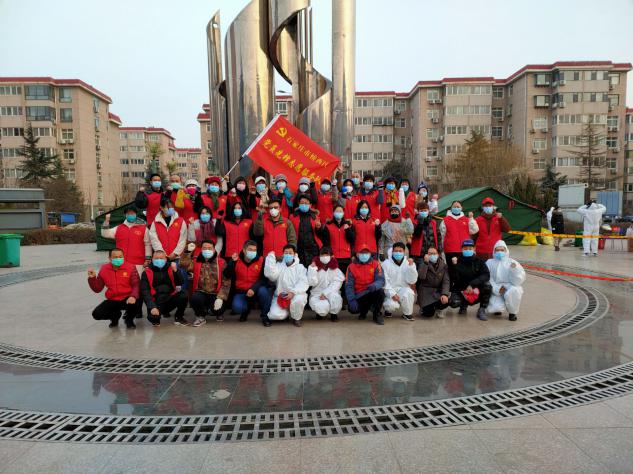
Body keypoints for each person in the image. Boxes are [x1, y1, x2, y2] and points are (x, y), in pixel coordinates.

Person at [179, 240, 230, 326]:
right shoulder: (196, 261)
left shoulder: (221, 262)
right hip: (201, 292)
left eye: (209, 248)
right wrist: (187, 252)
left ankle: (213, 311)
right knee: (194, 299)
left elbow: (226, 282)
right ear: (201, 249)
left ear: (214, 250)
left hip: (215, 293)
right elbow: (183, 265)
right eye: (205, 248)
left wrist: (220, 298)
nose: (207, 250)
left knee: (218, 310)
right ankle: (200, 316)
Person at [87, 248, 140, 329]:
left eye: (120, 256)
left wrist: (133, 296)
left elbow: (136, 284)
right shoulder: (104, 269)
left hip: (127, 297)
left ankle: (129, 320)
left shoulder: (130, 267)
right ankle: (115, 317)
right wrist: (92, 278)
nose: (118, 259)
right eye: (115, 257)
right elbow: (98, 289)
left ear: (123, 257)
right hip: (112, 299)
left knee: (136, 302)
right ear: (110, 258)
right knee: (96, 314)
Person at [224, 240, 273, 326]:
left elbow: (264, 279)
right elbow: (226, 275)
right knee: (237, 308)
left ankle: (265, 316)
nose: (252, 252)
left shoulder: (261, 260)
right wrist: (232, 262)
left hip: (256, 290)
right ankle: (245, 311)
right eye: (250, 249)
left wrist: (253, 289)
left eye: (254, 250)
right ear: (244, 250)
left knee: (264, 292)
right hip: (241, 291)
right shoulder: (236, 260)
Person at [264, 244, 309, 326]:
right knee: (274, 315)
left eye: (290, 253)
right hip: (281, 296)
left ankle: (296, 318)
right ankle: (287, 312)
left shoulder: (300, 267)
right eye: (286, 253)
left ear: (294, 254)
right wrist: (270, 259)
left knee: (299, 299)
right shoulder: (279, 266)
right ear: (283, 254)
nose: (288, 255)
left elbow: (303, 282)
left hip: (295, 295)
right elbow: (271, 276)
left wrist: (293, 292)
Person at [140, 250, 188, 326]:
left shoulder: (171, 267)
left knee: (184, 295)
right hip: (156, 301)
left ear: (166, 259)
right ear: (152, 259)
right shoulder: (146, 272)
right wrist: (152, 307)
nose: (159, 260)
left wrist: (176, 271)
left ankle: (179, 317)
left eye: (161, 258)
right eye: (156, 258)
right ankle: (157, 315)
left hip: (170, 298)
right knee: (154, 319)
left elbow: (180, 282)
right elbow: (145, 291)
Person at [448, 239, 492, 321]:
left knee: (487, 286)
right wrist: (454, 266)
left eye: (470, 248)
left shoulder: (479, 261)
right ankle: (463, 305)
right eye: (465, 248)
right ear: (461, 249)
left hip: (476, 289)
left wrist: (472, 284)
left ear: (474, 249)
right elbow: (454, 279)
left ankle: (482, 309)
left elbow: (486, 275)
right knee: (453, 302)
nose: (467, 250)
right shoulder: (456, 261)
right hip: (461, 288)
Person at [101, 207, 150, 273]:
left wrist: (147, 259)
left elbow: (148, 244)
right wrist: (106, 221)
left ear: (136, 214)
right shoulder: (119, 228)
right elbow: (105, 234)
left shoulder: (144, 228)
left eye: (132, 213)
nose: (130, 215)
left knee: (137, 279)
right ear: (125, 215)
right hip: (121, 263)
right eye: (128, 214)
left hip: (138, 263)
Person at [345, 245, 386, 325]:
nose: (364, 255)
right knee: (352, 309)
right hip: (359, 295)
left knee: (380, 292)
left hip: (371, 291)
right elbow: (348, 285)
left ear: (370, 254)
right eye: (361, 253)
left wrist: (375, 286)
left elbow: (381, 280)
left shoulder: (376, 264)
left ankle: (377, 314)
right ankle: (364, 311)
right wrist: (351, 299)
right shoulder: (351, 267)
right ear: (357, 254)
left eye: (366, 253)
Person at [486, 240, 526, 321]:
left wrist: (514, 270)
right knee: (495, 308)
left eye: (502, 250)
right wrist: (497, 289)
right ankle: (498, 307)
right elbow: (488, 278)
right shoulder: (489, 262)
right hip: (496, 288)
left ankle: (512, 313)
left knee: (515, 291)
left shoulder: (513, 262)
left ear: (506, 250)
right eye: (497, 250)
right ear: (494, 251)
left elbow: (518, 281)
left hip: (510, 286)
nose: (500, 252)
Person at [381, 242, 418, 321]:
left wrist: (411, 267)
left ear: (404, 252)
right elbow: (384, 282)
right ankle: (388, 310)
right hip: (390, 290)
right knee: (390, 305)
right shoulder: (386, 264)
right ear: (392, 251)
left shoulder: (409, 263)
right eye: (396, 251)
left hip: (403, 289)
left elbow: (412, 281)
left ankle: (407, 314)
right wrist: (392, 294)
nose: (398, 253)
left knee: (409, 292)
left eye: (400, 251)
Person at [307, 247, 345, 322]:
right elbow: (311, 283)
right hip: (317, 293)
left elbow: (337, 283)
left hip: (331, 293)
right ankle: (319, 313)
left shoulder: (335, 269)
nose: (324, 257)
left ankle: (334, 314)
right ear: (319, 256)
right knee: (321, 308)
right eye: (322, 255)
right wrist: (312, 270)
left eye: (327, 255)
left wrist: (325, 293)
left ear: (331, 256)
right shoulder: (315, 268)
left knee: (335, 298)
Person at [440, 200, 479, 273]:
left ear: (461, 208)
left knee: (464, 271)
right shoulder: (445, 220)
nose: (456, 208)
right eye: (454, 207)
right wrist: (442, 249)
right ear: (451, 208)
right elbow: (442, 235)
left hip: (465, 250)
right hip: (450, 250)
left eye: (458, 207)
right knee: (452, 271)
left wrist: (471, 219)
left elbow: (474, 230)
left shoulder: (466, 219)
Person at [320, 203, 354, 275]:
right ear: (333, 213)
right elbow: (326, 242)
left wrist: (348, 230)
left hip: (346, 256)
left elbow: (352, 240)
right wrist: (330, 253)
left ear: (343, 213)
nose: (339, 213)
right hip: (333, 257)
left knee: (345, 277)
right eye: (337, 211)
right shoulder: (328, 226)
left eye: (340, 211)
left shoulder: (348, 225)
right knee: (334, 278)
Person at [416, 246, 450, 318]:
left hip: (438, 291)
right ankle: (424, 308)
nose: (432, 255)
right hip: (426, 291)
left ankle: (439, 309)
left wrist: (445, 294)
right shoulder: (423, 264)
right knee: (428, 314)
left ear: (438, 254)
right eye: (430, 254)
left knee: (447, 301)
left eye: (434, 253)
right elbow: (421, 277)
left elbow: (446, 281)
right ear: (426, 255)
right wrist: (425, 263)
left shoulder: (443, 265)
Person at [290, 194, 322, 267]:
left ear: (310, 205)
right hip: (298, 249)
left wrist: (319, 228)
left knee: (313, 271)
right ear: (298, 204)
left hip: (313, 249)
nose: (304, 204)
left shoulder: (315, 217)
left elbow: (320, 234)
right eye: (302, 203)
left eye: (306, 203)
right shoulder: (292, 216)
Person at [410, 201, 441, 266]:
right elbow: (416, 235)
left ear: (428, 211)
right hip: (420, 253)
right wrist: (420, 223)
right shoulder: (414, 222)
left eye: (425, 210)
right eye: (421, 211)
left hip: (432, 252)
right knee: (422, 270)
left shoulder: (433, 222)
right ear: (418, 211)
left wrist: (439, 249)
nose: (423, 212)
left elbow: (438, 236)